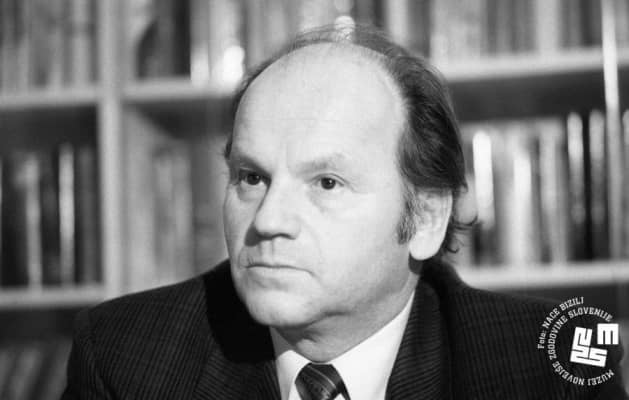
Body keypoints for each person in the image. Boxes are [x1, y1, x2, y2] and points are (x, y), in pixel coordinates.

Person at [62, 26, 628, 399]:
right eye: (251, 178)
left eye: (326, 183)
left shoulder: (555, 367)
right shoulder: (123, 356)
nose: (268, 220)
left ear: (426, 217)